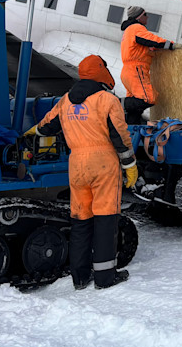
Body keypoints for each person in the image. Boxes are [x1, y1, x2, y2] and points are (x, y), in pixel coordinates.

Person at [28, 54, 137, 289]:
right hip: (103, 163)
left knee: (81, 219)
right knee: (106, 219)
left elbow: (48, 125)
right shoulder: (107, 100)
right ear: (101, 71)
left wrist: (33, 132)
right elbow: (120, 136)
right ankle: (105, 277)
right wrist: (130, 165)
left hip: (77, 164)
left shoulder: (66, 100)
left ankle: (79, 277)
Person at [120, 5, 175, 125]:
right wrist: (171, 45)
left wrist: (153, 49)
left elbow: (143, 45)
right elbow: (150, 39)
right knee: (149, 98)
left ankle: (131, 130)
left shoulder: (128, 31)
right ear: (139, 17)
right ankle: (117, 103)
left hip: (128, 71)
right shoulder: (136, 28)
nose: (147, 17)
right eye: (145, 14)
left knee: (135, 109)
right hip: (136, 70)